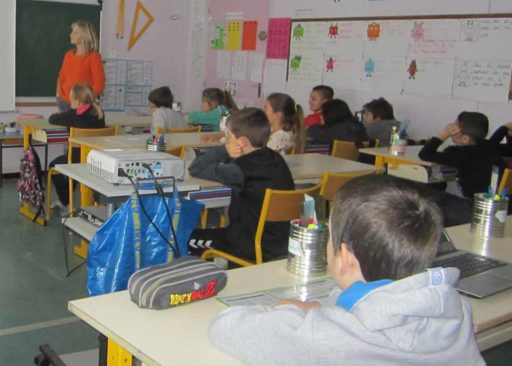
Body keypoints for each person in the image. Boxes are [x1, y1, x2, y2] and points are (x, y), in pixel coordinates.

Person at [208, 174, 483, 365]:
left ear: (344, 257)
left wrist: (295, 312)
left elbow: (225, 326)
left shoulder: (325, 338)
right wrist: (326, 309)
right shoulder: (456, 308)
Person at [186, 108, 294, 262]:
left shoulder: (239, 170)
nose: (226, 140)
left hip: (248, 247)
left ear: (241, 142)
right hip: (279, 245)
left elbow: (196, 168)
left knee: (182, 238)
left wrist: (224, 150)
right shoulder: (276, 159)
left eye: (229, 136)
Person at [419, 111, 506, 200]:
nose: (450, 130)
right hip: (497, 200)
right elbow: (498, 140)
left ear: (465, 138)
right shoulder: (489, 146)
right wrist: (505, 128)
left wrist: (444, 134)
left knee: (435, 188)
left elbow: (425, 154)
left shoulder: (459, 153)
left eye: (453, 129)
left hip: (473, 203)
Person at [48, 84, 106, 208]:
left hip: (76, 158)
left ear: (78, 101)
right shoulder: (99, 113)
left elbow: (52, 119)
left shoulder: (73, 115)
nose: (69, 100)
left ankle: (65, 201)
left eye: (71, 97)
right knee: (74, 169)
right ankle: (67, 200)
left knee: (53, 166)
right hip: (96, 159)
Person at [55, 20, 105, 111]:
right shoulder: (68, 55)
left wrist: (86, 100)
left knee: (80, 125)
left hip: (83, 104)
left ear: (84, 36)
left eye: (75, 33)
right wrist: (58, 94)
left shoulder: (93, 57)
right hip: (64, 101)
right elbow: (61, 77)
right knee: (65, 124)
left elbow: (99, 84)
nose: (71, 35)